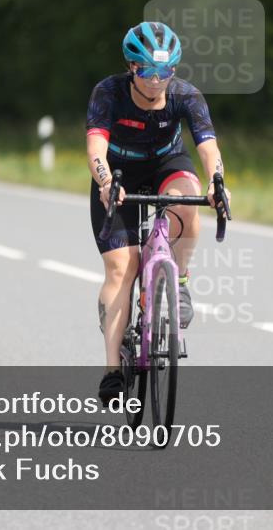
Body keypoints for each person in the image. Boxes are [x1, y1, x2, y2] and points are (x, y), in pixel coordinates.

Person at [86, 21, 230, 403]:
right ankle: (113, 370)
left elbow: (208, 147)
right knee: (121, 268)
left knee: (189, 197)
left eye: (165, 71)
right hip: (118, 174)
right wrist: (104, 182)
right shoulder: (108, 92)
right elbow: (96, 147)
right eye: (148, 71)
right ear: (132, 67)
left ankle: (178, 280)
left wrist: (218, 181)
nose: (156, 80)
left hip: (167, 164)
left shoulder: (186, 95)